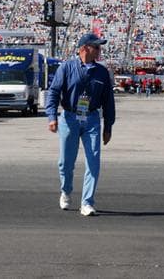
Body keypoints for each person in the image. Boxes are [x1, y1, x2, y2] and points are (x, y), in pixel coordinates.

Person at [46, 32, 116, 216]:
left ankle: (87, 202)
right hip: (69, 117)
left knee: (94, 161)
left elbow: (109, 100)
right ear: (85, 48)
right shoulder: (66, 67)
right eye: (97, 47)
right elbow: (53, 92)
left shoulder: (102, 72)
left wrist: (108, 126)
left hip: (92, 118)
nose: (100, 50)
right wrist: (51, 116)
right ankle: (66, 190)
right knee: (65, 162)